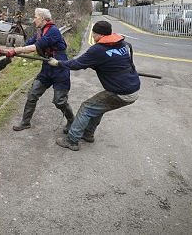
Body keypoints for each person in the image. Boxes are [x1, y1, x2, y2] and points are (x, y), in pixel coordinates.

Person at [49, 20, 140, 151]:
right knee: (98, 107)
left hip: (121, 92)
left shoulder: (98, 49)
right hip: (133, 89)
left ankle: (72, 140)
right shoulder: (123, 45)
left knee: (87, 107)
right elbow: (115, 62)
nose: (92, 37)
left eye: (93, 34)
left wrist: (58, 63)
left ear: (99, 35)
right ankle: (88, 134)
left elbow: (75, 64)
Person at [0, 7, 75, 132]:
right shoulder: (39, 32)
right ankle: (25, 122)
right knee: (32, 94)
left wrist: (14, 51)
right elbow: (27, 45)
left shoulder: (53, 31)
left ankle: (72, 121)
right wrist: (6, 51)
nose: (33, 20)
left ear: (43, 18)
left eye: (35, 17)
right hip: (47, 69)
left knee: (59, 101)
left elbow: (36, 47)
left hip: (60, 70)